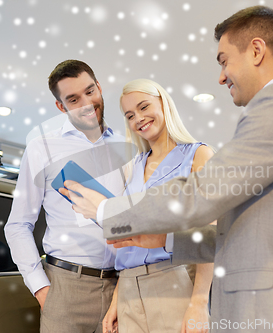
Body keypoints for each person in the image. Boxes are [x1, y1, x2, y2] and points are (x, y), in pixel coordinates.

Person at [62, 6, 273, 333]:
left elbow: (201, 192)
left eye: (224, 60)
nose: (221, 76)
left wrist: (106, 210)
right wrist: (166, 239)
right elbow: (239, 230)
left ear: (256, 51)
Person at [4, 60, 125, 333]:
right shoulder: (42, 149)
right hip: (65, 287)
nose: (87, 103)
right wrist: (41, 289)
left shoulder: (125, 147)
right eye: (73, 98)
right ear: (61, 106)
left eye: (90, 91)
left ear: (100, 88)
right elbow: (18, 225)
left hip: (120, 287)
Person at [101, 79, 214, 333]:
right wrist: (117, 301)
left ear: (163, 103)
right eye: (130, 115)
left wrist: (199, 302)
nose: (138, 118)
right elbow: (127, 244)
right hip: (129, 288)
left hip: (173, 282)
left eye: (143, 107)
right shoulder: (133, 168)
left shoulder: (198, 155)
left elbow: (211, 235)